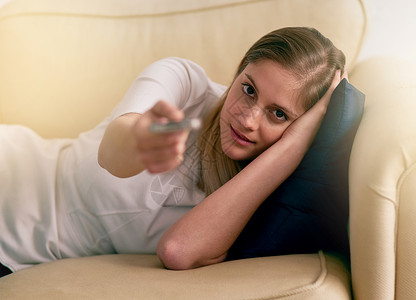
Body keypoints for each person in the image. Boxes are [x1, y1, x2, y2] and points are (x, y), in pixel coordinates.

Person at [0, 27, 346, 276]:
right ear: (239, 70)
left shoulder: (259, 199)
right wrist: (142, 138)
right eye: (248, 89)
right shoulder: (184, 83)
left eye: (279, 113)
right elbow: (112, 154)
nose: (248, 117)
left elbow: (178, 251)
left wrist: (293, 146)